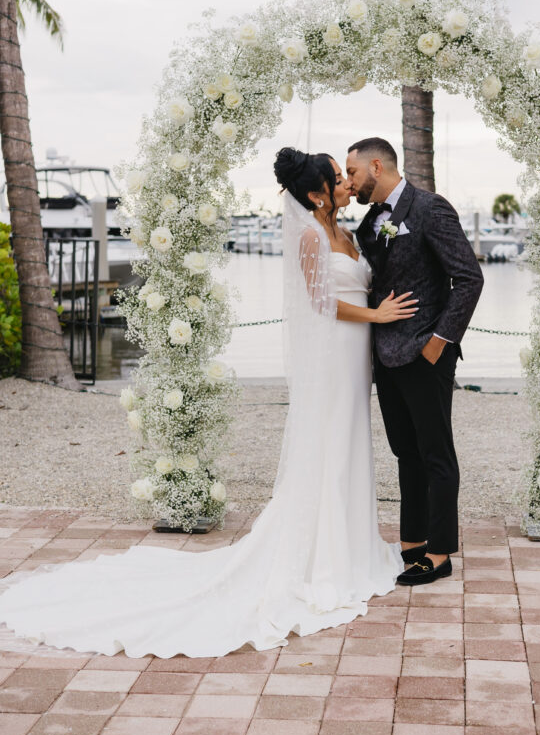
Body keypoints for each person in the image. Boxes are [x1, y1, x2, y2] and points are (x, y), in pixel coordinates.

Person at [0, 149, 413, 658]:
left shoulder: (347, 234)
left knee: (350, 443)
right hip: (332, 360)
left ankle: (350, 545)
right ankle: (323, 559)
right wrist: (380, 316)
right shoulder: (308, 236)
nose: (347, 184)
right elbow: (321, 303)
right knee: (327, 445)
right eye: (337, 179)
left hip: (355, 362)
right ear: (315, 194)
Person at [347, 137, 484, 586]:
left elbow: (468, 278)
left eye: (352, 173)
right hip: (386, 357)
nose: (351, 183)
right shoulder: (370, 223)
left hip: (426, 354)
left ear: (376, 165)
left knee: (435, 454)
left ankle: (441, 553)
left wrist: (438, 342)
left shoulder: (430, 208)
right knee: (405, 453)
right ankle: (413, 543)